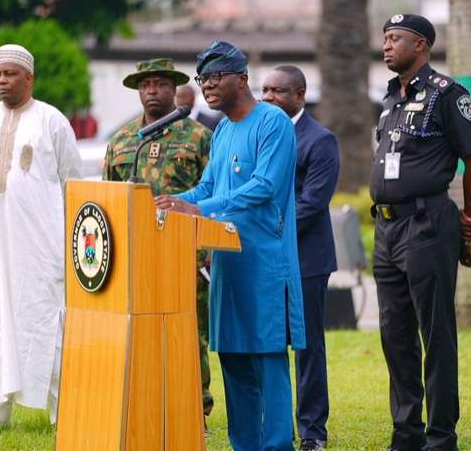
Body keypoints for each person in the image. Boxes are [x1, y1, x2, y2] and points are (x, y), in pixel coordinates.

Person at [160, 40, 306, 451]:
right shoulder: (222, 129)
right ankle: (245, 445)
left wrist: (200, 209)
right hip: (226, 264)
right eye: (201, 78)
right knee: (233, 360)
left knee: (267, 360)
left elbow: (262, 187)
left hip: (263, 263)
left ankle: (277, 445)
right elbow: (209, 185)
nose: (205, 85)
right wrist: (174, 203)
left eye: (213, 77)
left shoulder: (272, 123)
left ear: (241, 79)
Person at [370, 14, 471, 451]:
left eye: (394, 39)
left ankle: (441, 437)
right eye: (384, 39)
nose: (386, 46)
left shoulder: (447, 95)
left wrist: (469, 219)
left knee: (435, 332)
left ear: (420, 44)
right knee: (394, 333)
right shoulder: (388, 98)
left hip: (426, 224)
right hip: (386, 227)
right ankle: (406, 434)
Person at [0, 44, 81, 434]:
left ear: (29, 78)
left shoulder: (52, 121)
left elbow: (72, 184)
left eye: (10, 74)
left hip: (39, 246)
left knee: (45, 320)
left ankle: (62, 411)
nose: (2, 81)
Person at [101, 57, 215, 425]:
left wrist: (209, 250)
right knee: (140, 329)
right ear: (138, 90)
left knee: (189, 330)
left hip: (187, 253)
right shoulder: (122, 140)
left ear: (173, 89)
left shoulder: (198, 137)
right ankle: (145, 398)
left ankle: (195, 406)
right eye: (146, 84)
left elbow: (215, 196)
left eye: (161, 84)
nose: (153, 90)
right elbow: (109, 202)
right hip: (137, 255)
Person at [261, 65, 339, 451]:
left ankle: (312, 431)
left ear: (300, 95)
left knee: (307, 346)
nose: (269, 97)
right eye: (264, 89)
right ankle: (274, 427)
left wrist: (265, 232)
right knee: (268, 343)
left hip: (306, 259)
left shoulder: (320, 140)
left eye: (278, 90)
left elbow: (312, 203)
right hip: (263, 259)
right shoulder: (260, 135)